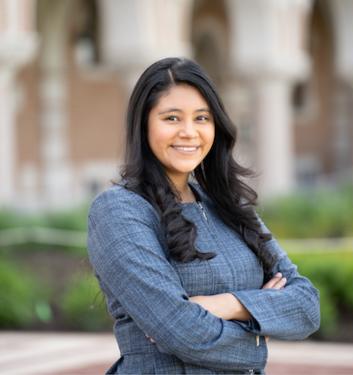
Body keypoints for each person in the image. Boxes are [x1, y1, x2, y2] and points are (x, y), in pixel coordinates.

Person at [87, 57, 320, 374]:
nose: (188, 132)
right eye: (171, 118)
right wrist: (259, 333)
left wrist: (226, 304)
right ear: (143, 125)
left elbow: (307, 305)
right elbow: (180, 331)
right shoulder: (119, 210)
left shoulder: (228, 204)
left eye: (201, 118)